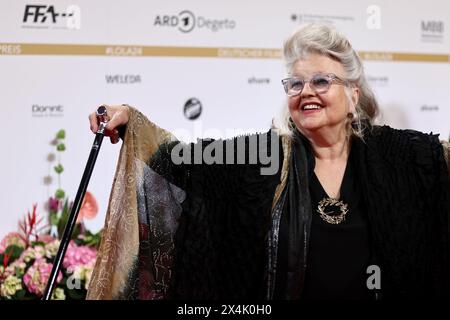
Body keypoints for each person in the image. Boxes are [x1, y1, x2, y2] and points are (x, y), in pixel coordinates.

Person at [86, 23, 449, 300]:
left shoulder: (402, 158)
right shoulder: (262, 160)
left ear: (353, 92)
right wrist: (131, 120)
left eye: (321, 81)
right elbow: (180, 163)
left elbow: (441, 165)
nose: (306, 92)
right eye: (295, 84)